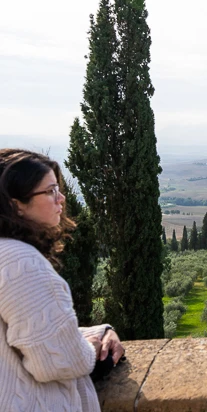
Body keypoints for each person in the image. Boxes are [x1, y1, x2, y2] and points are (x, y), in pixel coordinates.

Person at [0, 148, 124, 412]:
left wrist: (97, 331)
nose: (62, 199)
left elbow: (23, 337)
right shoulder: (21, 263)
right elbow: (58, 361)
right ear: (15, 204)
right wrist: (91, 349)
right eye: (51, 191)